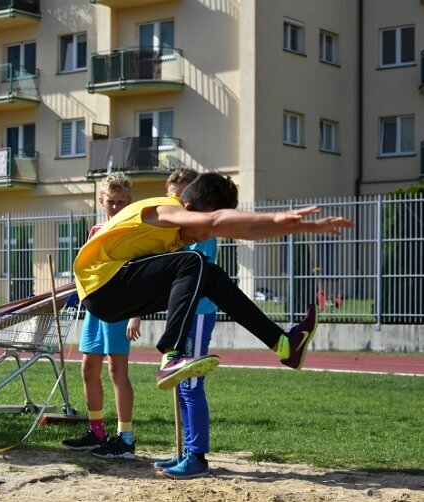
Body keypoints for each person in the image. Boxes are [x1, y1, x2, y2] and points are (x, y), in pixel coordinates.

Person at [73, 172, 352, 391]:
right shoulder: (163, 210)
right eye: (205, 228)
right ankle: (172, 355)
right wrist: (275, 215)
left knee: (211, 275)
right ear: (191, 209)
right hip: (102, 287)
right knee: (193, 261)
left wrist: (302, 227)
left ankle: (284, 345)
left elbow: (244, 230)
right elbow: (216, 219)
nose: (206, 237)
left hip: (116, 294)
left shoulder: (180, 226)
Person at [63, 173, 142, 460]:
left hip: (121, 309)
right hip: (96, 308)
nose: (116, 208)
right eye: (111, 202)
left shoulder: (134, 230)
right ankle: (97, 433)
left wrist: (136, 314)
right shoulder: (96, 230)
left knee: (117, 371)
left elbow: (140, 277)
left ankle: (126, 438)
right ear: (101, 201)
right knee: (88, 368)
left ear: (130, 202)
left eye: (122, 202)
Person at [153, 169, 218, 479]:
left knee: (191, 384)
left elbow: (191, 271)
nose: (178, 202)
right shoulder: (173, 228)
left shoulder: (200, 230)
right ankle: (184, 450)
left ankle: (197, 457)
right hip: (180, 316)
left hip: (198, 313)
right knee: (179, 384)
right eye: (173, 197)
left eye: (183, 196)